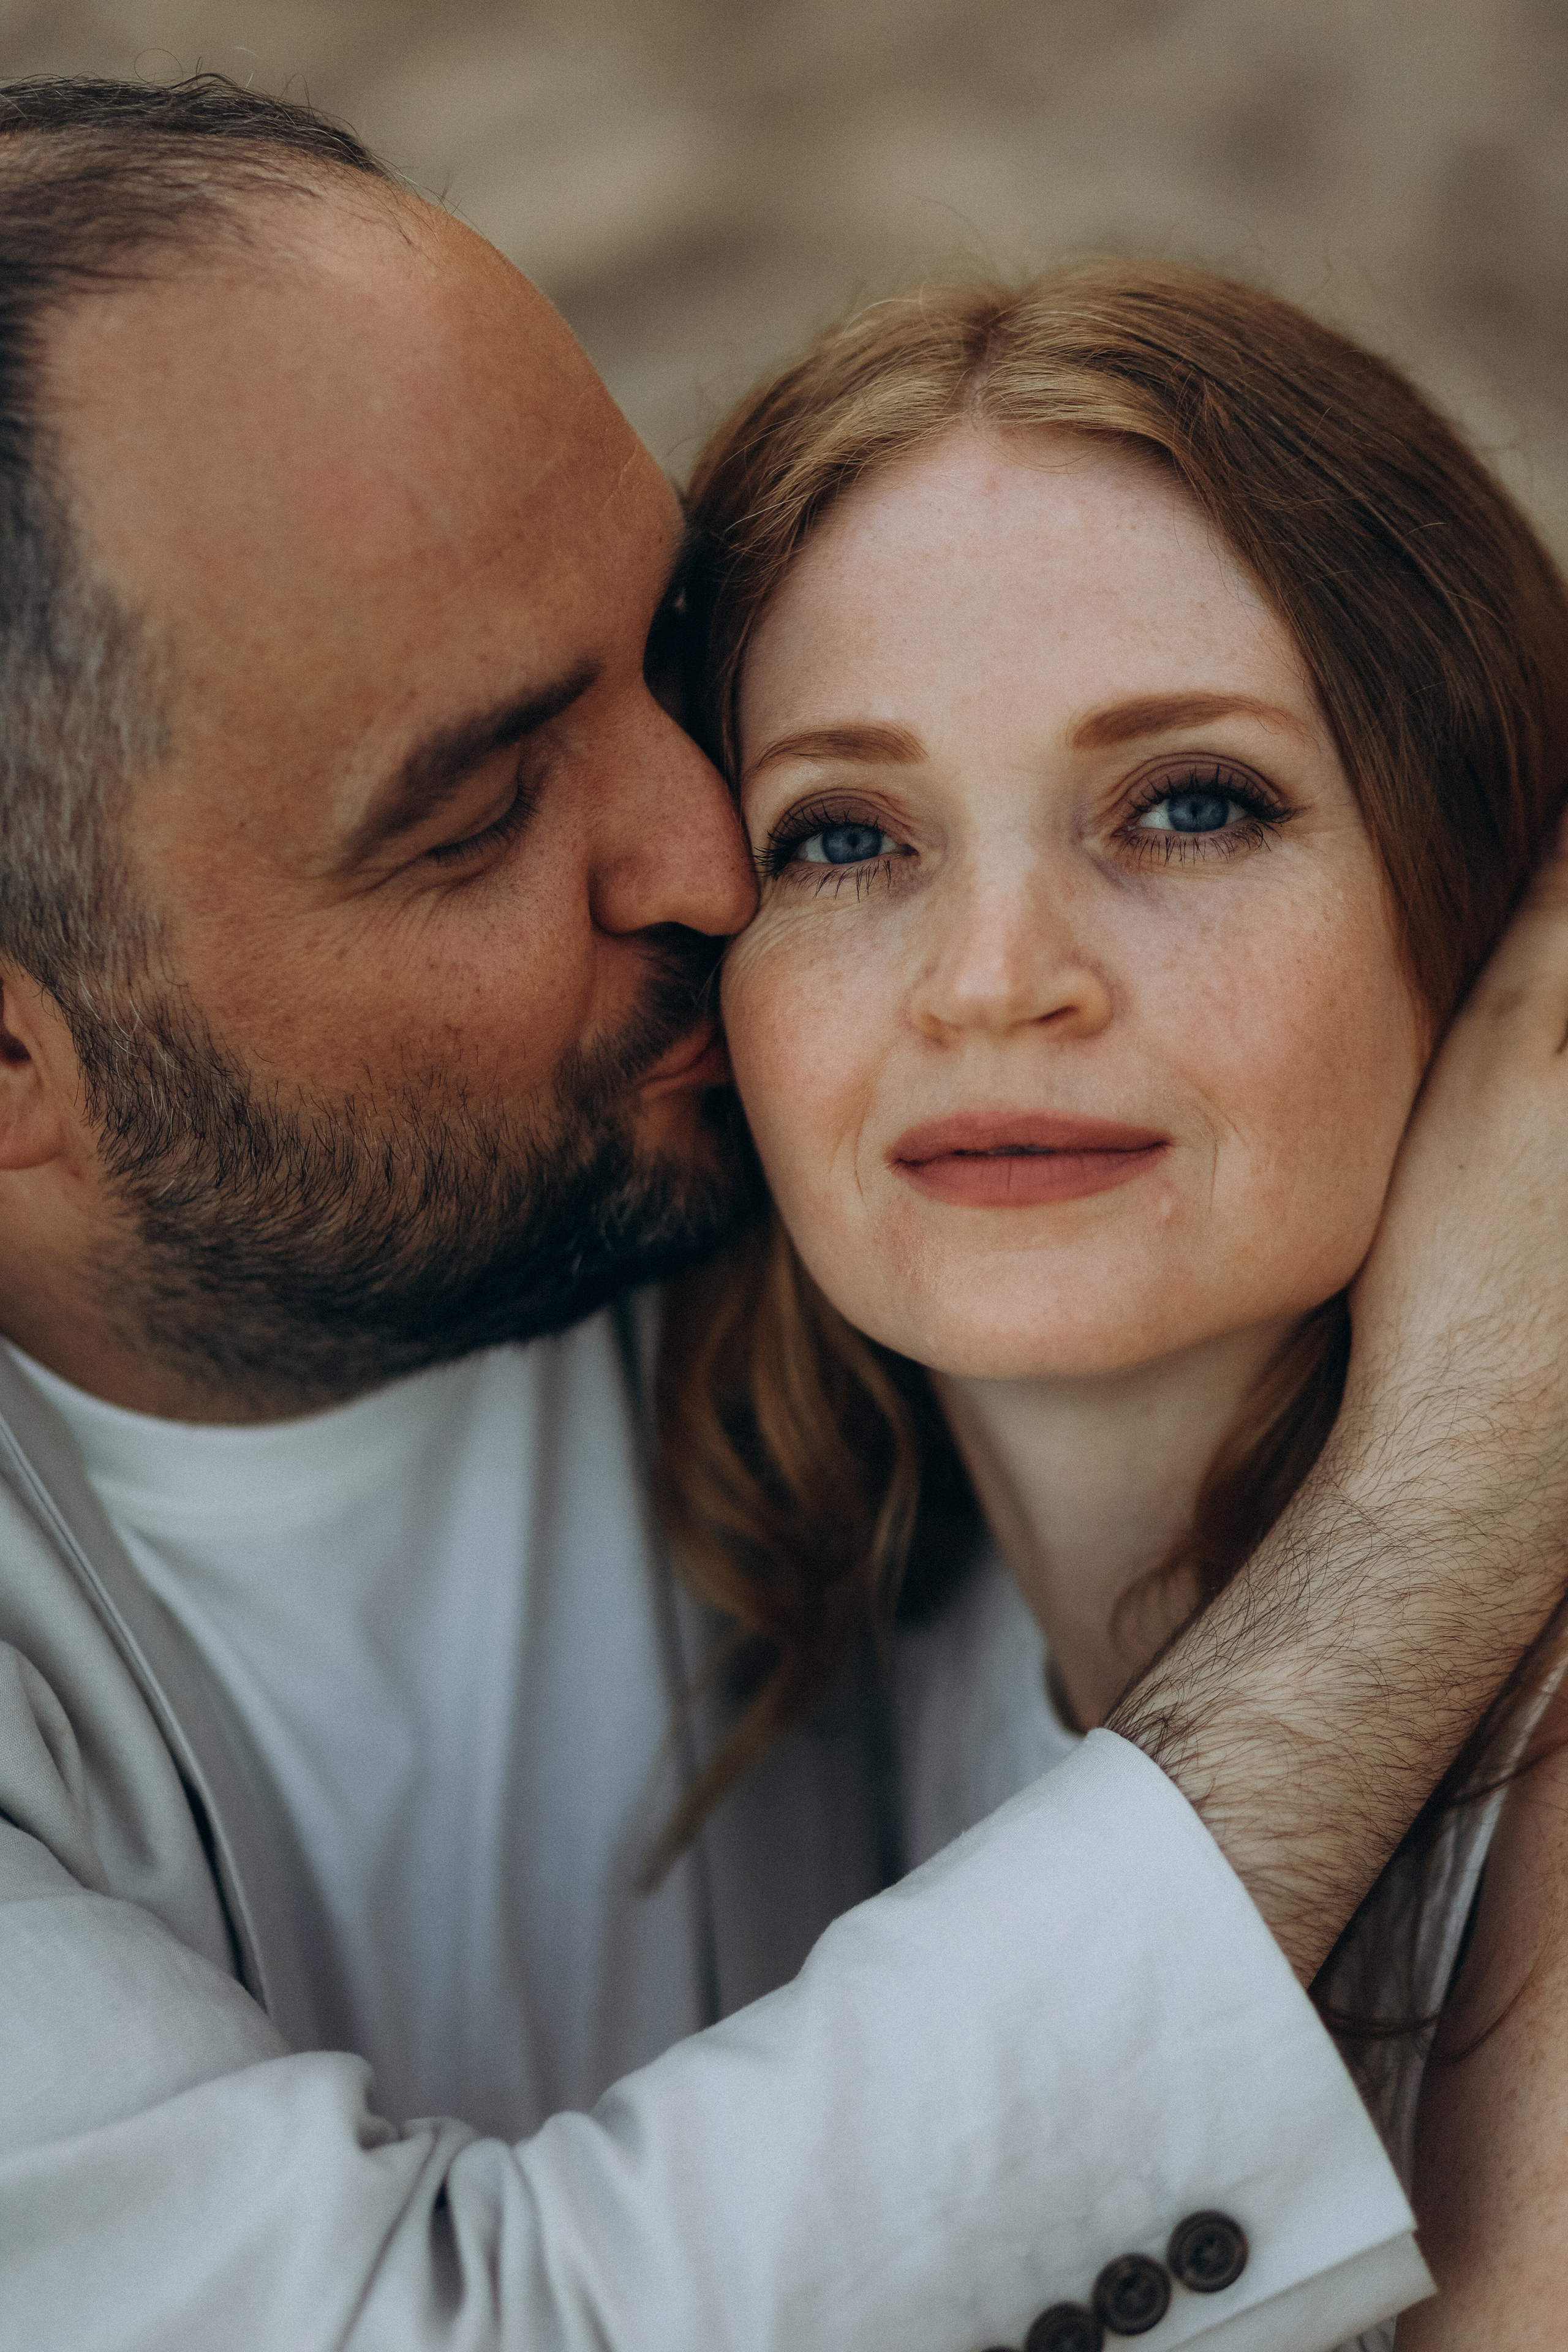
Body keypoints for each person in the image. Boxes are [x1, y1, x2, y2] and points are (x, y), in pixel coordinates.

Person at [1, 72, 1567, 2352]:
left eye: (657, 658)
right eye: (473, 819)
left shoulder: (789, 1176)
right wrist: (1455, 1486)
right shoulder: (885, 1408)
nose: (711, 857)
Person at [657, 265, 1568, 2349]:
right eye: (843, 836)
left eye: (1192, 802)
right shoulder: (869, 1664)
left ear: (1493, 894)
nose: (997, 977)